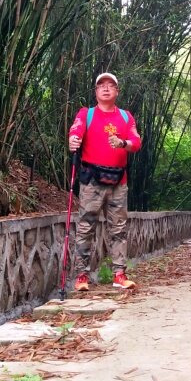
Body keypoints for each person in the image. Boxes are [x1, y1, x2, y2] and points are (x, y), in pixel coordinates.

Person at [68, 72, 142, 291]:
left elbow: (136, 142)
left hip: (118, 181)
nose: (106, 88)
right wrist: (73, 139)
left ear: (117, 91)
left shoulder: (126, 117)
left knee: (119, 229)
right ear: (96, 91)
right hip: (92, 181)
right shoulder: (86, 113)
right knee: (85, 227)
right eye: (101, 85)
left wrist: (122, 143)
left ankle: (119, 274)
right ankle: (81, 276)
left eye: (111, 85)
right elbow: (75, 130)